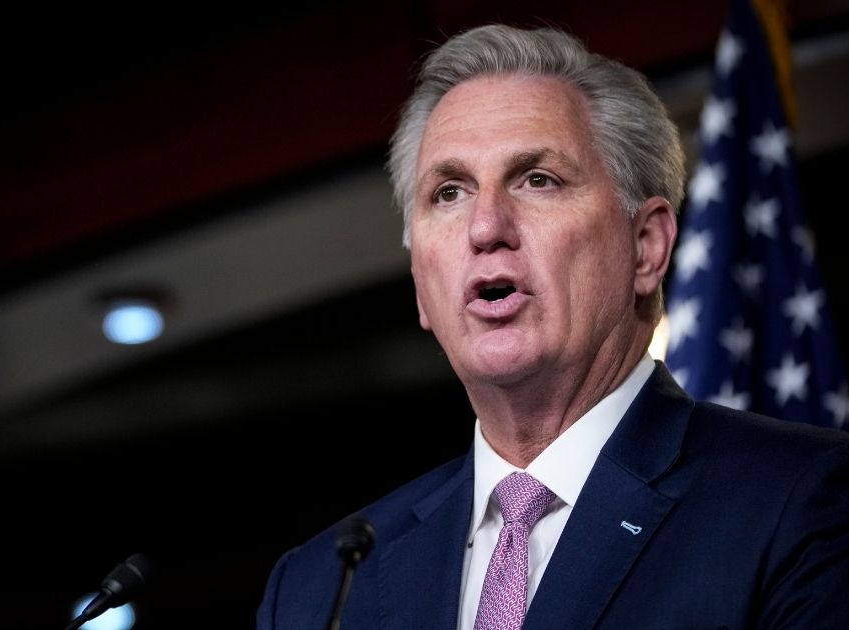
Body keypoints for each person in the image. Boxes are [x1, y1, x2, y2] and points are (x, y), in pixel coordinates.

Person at [256, 24, 849, 629]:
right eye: (450, 191)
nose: (485, 227)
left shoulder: (802, 501)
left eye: (537, 179)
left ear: (645, 248)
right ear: (420, 287)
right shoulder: (319, 589)